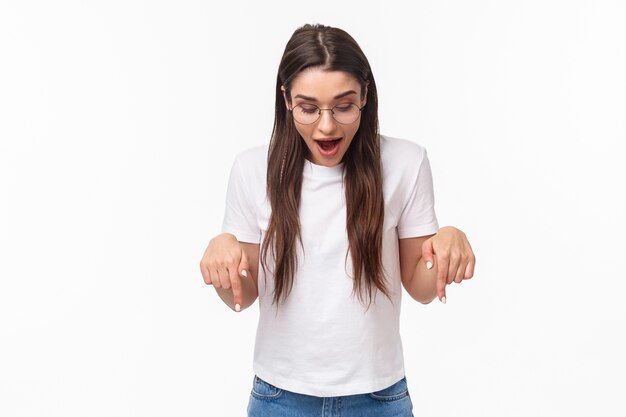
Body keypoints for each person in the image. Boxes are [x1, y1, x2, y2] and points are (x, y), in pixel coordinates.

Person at [199, 23, 476, 417]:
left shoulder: (406, 163)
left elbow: (421, 287)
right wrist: (221, 258)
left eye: (344, 106)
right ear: (286, 99)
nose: (326, 126)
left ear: (365, 95)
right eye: (308, 108)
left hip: (379, 397)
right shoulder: (252, 169)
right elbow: (241, 297)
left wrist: (450, 242)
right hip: (280, 398)